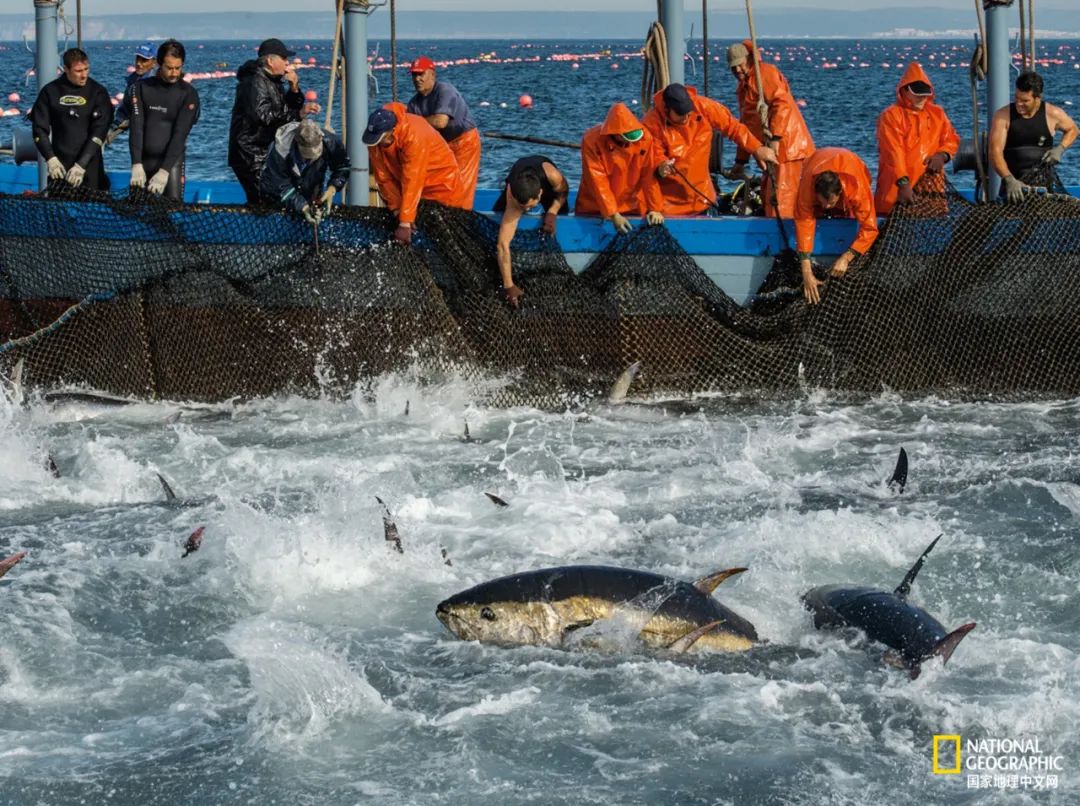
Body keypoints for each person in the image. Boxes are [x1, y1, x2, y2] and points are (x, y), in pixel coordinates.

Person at [642, 82, 777, 216]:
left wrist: (756, 148)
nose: (686, 118)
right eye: (680, 114)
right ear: (667, 109)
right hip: (669, 207)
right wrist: (661, 167)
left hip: (703, 199)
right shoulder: (652, 124)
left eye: (689, 113)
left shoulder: (702, 106)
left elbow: (733, 127)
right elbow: (651, 159)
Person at [726, 41, 814, 219]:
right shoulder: (743, 88)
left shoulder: (765, 73)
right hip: (771, 155)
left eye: (740, 65)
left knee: (782, 202)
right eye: (733, 68)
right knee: (769, 199)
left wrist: (775, 140)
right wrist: (740, 161)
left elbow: (782, 104)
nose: (737, 71)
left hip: (789, 150)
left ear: (749, 60)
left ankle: (786, 242)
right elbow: (747, 125)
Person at [228, 38, 319, 204]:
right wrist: (298, 113)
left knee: (273, 195)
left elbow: (285, 109)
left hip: (266, 149)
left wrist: (294, 88)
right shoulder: (254, 81)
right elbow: (263, 116)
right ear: (270, 61)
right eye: (283, 59)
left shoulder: (273, 80)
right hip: (250, 152)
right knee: (263, 198)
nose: (287, 63)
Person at [363, 103, 467, 246]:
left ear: (392, 131)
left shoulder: (413, 134)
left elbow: (413, 179)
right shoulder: (375, 142)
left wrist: (405, 222)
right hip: (413, 197)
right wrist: (397, 210)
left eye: (382, 139)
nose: (379, 144)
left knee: (447, 242)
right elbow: (384, 178)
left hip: (443, 188)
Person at [794, 147, 878, 305]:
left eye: (831, 202)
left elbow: (870, 228)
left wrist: (847, 257)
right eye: (821, 202)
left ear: (840, 193)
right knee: (812, 212)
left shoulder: (857, 188)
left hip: (853, 165)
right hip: (815, 162)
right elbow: (804, 222)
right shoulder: (808, 186)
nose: (826, 207)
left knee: (854, 219)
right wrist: (806, 271)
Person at [874, 62, 960, 215]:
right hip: (897, 191)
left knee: (933, 222)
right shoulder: (891, 115)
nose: (922, 98)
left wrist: (943, 155)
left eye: (924, 95)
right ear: (905, 91)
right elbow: (894, 152)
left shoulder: (937, 113)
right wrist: (903, 183)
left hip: (931, 188)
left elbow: (951, 139)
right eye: (917, 94)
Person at [29, 47, 114, 191]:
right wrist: (50, 159)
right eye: (78, 71)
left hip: (90, 168)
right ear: (66, 69)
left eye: (86, 69)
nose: (84, 75)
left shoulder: (97, 92)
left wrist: (81, 165)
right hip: (59, 168)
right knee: (58, 211)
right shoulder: (50, 91)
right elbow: (39, 129)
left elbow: (100, 132)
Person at [575, 102, 665, 233]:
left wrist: (655, 208)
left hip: (632, 206)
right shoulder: (591, 141)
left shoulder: (645, 138)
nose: (630, 142)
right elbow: (598, 181)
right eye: (626, 138)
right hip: (594, 207)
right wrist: (613, 214)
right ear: (615, 133)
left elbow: (649, 175)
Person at [492, 155, 570, 307]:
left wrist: (552, 212)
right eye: (523, 208)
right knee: (498, 218)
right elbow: (502, 245)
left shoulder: (553, 176)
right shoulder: (513, 197)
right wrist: (509, 286)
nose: (526, 210)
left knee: (562, 211)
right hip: (519, 182)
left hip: (548, 184)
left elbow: (563, 192)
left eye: (530, 207)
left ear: (539, 194)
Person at [128, 39, 200, 201]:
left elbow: (180, 135)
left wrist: (164, 171)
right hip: (143, 161)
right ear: (159, 64)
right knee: (137, 212)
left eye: (178, 68)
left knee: (172, 211)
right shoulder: (141, 88)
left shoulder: (188, 94)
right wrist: (136, 164)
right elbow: (137, 127)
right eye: (169, 68)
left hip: (170, 164)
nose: (174, 73)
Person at [406, 56, 482, 209]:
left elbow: (441, 121)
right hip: (442, 146)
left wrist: (417, 123)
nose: (417, 79)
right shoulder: (414, 104)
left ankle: (463, 218)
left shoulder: (444, 90)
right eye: (414, 75)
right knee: (441, 185)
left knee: (461, 187)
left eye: (421, 74)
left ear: (432, 74)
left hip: (464, 142)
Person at [989, 71, 1077, 202]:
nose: (1019, 104)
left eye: (1025, 100)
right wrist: (1008, 179)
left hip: (1043, 185)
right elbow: (994, 152)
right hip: (1014, 185)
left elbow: (1073, 129)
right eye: (1016, 98)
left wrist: (1060, 148)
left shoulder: (1052, 113)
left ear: (1038, 98)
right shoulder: (1003, 116)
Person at [260, 118, 349, 223]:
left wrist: (332, 189)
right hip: (276, 195)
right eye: (307, 157)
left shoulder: (331, 142)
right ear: (297, 145)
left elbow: (342, 166)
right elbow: (280, 187)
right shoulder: (280, 153)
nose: (311, 159)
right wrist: (302, 206)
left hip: (310, 188)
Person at [109, 41, 156, 138]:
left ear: (153, 62)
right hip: (137, 136)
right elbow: (125, 108)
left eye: (144, 60)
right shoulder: (132, 81)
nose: (139, 63)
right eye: (138, 58)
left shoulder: (157, 82)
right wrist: (113, 128)